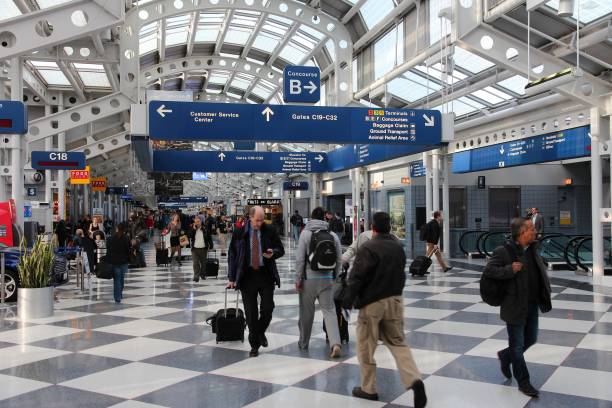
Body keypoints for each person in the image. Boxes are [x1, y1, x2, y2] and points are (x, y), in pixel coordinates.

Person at [342, 212, 426, 406]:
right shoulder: (398, 247)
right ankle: (414, 379)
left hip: (373, 304)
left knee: (365, 346)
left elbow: (357, 277)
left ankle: (368, 388)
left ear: (373, 227)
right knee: (398, 343)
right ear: (390, 226)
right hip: (395, 300)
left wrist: (347, 301)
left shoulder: (368, 247)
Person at [484, 218, 552, 398]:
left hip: (532, 303)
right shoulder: (503, 251)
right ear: (521, 233)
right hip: (514, 305)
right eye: (531, 229)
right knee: (517, 344)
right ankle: (524, 381)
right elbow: (489, 271)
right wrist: (509, 269)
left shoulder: (533, 250)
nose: (535, 231)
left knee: (531, 339)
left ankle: (505, 356)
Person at [227, 206, 285, 358]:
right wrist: (231, 278)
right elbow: (232, 255)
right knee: (251, 313)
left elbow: (281, 249)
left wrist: (273, 253)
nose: (260, 223)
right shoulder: (240, 232)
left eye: (261, 220)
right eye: (257, 220)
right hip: (247, 277)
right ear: (250, 217)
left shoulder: (270, 230)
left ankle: (259, 332)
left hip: (266, 275)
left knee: (268, 308)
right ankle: (254, 345)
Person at [294, 207, 342, 358]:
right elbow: (339, 259)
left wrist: (298, 279)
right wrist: (334, 276)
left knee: (306, 313)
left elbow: (300, 259)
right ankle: (335, 343)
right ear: (325, 218)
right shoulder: (332, 235)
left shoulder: (305, 234)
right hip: (327, 278)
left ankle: (303, 343)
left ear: (311, 218)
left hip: (309, 279)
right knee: (329, 311)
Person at [106, 223, 131, 303]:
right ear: (124, 230)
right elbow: (128, 250)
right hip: (123, 261)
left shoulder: (110, 238)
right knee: (121, 279)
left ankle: (118, 297)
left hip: (114, 261)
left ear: (117, 228)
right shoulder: (126, 238)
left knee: (117, 279)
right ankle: (119, 294)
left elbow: (108, 250)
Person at [189, 216, 209, 282]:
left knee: (203, 263)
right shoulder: (192, 228)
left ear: (201, 222)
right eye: (196, 222)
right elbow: (190, 236)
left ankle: (202, 274)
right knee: (195, 263)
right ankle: (196, 276)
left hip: (203, 248)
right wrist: (194, 229)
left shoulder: (205, 228)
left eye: (198, 221)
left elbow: (208, 237)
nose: (197, 223)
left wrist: (211, 245)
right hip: (195, 249)